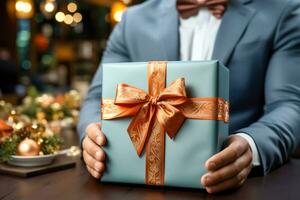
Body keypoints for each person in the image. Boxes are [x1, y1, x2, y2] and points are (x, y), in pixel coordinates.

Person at [78, 0, 300, 194]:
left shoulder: (282, 11)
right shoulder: (132, 20)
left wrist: (251, 147)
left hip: (239, 188)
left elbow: (288, 105)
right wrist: (93, 135)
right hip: (137, 182)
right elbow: (97, 98)